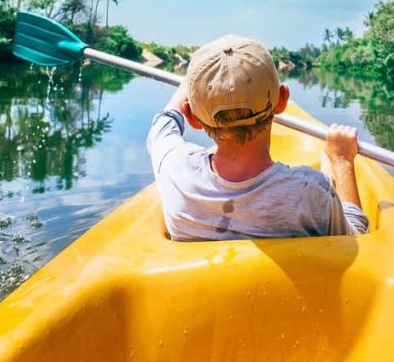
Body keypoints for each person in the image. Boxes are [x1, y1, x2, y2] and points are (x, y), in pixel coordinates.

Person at [146, 34, 369, 241]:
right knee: (329, 159)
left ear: (192, 118)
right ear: (282, 100)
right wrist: (341, 161)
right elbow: (357, 239)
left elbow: (163, 123)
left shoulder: (175, 167)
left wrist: (192, 82)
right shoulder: (310, 193)